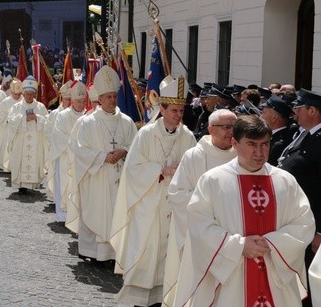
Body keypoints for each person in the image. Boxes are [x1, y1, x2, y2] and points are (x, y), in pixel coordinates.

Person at [174, 115, 314, 306]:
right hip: (231, 278)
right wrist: (239, 246)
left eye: (265, 144)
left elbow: (303, 223)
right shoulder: (213, 180)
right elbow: (200, 225)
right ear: (235, 143)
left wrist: (272, 243)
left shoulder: (285, 181)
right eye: (251, 144)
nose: (259, 152)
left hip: (274, 277)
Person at [110, 75, 197, 306]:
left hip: (176, 205)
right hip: (149, 203)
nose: (179, 116)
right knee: (147, 249)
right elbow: (133, 169)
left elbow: (196, 169)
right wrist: (161, 170)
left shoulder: (187, 137)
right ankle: (140, 297)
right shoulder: (146, 134)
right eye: (175, 111)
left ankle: (166, 296)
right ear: (163, 109)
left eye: (181, 111)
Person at [163, 108, 237, 306]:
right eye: (226, 127)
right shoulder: (194, 156)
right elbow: (177, 193)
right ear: (211, 129)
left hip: (230, 235)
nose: (231, 132)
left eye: (234, 127)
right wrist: (210, 206)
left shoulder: (240, 157)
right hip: (199, 233)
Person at [69, 68, 137, 262]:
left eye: (115, 96)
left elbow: (137, 148)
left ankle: (116, 254)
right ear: (100, 98)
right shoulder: (87, 123)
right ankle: (93, 253)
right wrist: (102, 157)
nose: (112, 100)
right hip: (96, 178)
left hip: (120, 178)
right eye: (108, 97)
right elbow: (80, 150)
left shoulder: (127, 122)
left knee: (118, 214)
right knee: (96, 213)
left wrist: (124, 151)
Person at [279, 88, 321, 306]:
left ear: (312, 110)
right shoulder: (303, 134)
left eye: (299, 108)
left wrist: (320, 231)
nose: (295, 112)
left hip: (311, 225)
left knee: (310, 279)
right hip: (293, 219)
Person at [47, 80, 87, 223]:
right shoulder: (63, 116)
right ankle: (65, 216)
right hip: (65, 158)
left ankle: (78, 216)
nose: (81, 105)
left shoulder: (87, 117)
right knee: (65, 186)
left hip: (81, 160)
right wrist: (75, 143)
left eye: (83, 102)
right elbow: (58, 136)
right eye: (78, 102)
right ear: (72, 101)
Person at [7, 76, 47, 192]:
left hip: (36, 140)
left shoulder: (40, 107)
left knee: (34, 159)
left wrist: (37, 118)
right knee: (20, 160)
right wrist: (24, 119)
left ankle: (33, 184)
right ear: (23, 94)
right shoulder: (16, 107)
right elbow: (11, 121)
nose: (29, 96)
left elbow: (47, 123)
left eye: (31, 94)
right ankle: (21, 185)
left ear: (34, 94)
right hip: (21, 140)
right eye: (27, 94)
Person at [0, 78, 22, 171]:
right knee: (7, 147)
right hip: (8, 128)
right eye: (15, 94)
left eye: (19, 94)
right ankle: (6, 166)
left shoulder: (23, 101)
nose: (17, 96)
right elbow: (0, 113)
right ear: (11, 92)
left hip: (20, 130)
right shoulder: (6, 101)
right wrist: (8, 119)